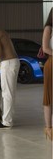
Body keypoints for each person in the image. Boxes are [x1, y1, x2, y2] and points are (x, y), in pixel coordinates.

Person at [42, 8, 53, 140]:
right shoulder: (48, 29)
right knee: (49, 97)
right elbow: (45, 48)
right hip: (52, 64)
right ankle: (48, 128)